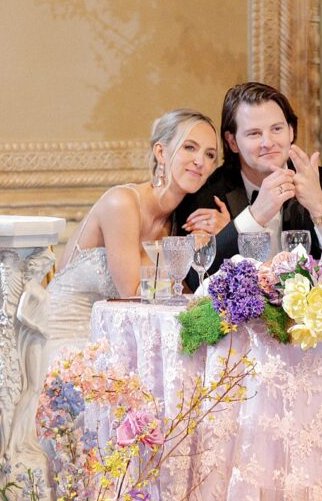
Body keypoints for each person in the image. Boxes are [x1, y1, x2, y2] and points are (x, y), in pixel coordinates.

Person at [46, 109, 220, 355]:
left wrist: (221, 233)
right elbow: (133, 294)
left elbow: (185, 298)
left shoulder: (178, 223)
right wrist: (186, 253)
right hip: (63, 337)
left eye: (209, 154)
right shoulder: (122, 203)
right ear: (161, 152)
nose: (200, 161)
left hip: (116, 340)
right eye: (189, 147)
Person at [177, 82, 322, 279]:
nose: (268, 143)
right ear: (232, 142)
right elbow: (195, 279)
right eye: (254, 133)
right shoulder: (210, 191)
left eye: (277, 129)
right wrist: (253, 217)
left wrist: (319, 206)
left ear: (291, 131)